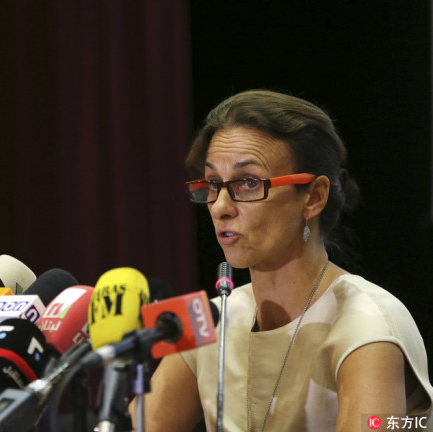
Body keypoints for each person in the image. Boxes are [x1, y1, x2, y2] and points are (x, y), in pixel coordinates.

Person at [131, 90, 433, 431]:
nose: (220, 207)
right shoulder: (207, 320)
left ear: (314, 197)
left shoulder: (369, 323)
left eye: (248, 183)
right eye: (213, 184)